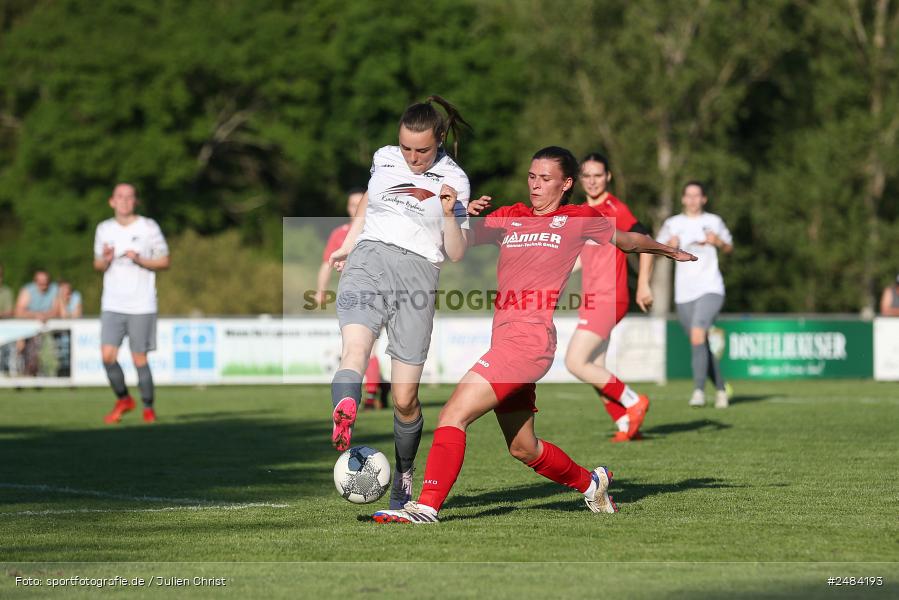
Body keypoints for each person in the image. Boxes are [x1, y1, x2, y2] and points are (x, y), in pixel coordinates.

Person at [372, 147, 696, 524]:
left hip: (528, 343)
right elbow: (455, 247)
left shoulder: (578, 218)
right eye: (532, 177)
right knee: (524, 448)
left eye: (545, 178)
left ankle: (425, 506)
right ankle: (593, 486)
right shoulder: (511, 216)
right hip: (507, 342)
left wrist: (667, 250)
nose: (536, 185)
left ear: (566, 183)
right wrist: (452, 214)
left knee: (452, 415)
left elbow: (628, 240)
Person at [327, 95, 490, 510]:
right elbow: (368, 200)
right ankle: (346, 406)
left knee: (404, 399)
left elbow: (456, 253)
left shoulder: (455, 180)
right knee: (355, 350)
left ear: (439, 140)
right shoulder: (383, 158)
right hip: (369, 258)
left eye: (423, 150)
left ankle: (403, 471)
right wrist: (348, 245)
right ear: (396, 142)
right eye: (406, 148)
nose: (413, 158)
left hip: (418, 272)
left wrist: (451, 214)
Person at [565, 153, 655, 442]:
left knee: (575, 362)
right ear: (581, 179)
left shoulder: (614, 207)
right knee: (595, 369)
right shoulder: (581, 212)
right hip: (592, 298)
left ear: (608, 177)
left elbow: (645, 240)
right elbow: (583, 258)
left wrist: (643, 285)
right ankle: (627, 423)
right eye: (587, 176)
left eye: (598, 175)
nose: (592, 181)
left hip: (609, 296)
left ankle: (632, 401)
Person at [93, 183, 170, 424]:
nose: (125, 201)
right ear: (111, 201)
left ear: (135, 201)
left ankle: (148, 408)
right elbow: (97, 264)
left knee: (139, 358)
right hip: (113, 302)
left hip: (141, 303)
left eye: (129, 197)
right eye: (120, 197)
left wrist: (140, 260)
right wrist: (105, 260)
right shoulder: (104, 229)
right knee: (107, 356)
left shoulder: (148, 227)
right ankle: (124, 399)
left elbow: (165, 261)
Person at [657, 181, 733, 408]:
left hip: (710, 288)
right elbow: (653, 249)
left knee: (698, 335)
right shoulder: (673, 224)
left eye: (696, 195)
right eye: (688, 195)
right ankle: (721, 389)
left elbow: (729, 248)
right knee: (699, 342)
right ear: (682, 199)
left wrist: (717, 242)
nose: (692, 200)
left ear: (704, 199)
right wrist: (669, 247)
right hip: (684, 294)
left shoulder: (713, 221)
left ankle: (699, 391)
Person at [316, 188, 389, 410]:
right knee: (357, 348)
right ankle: (376, 390)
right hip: (352, 296)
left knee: (366, 349)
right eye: (352, 204)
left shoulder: (379, 231)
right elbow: (327, 262)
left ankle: (370, 395)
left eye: (361, 203)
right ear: (348, 208)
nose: (357, 208)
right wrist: (320, 290)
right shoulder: (340, 233)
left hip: (380, 293)